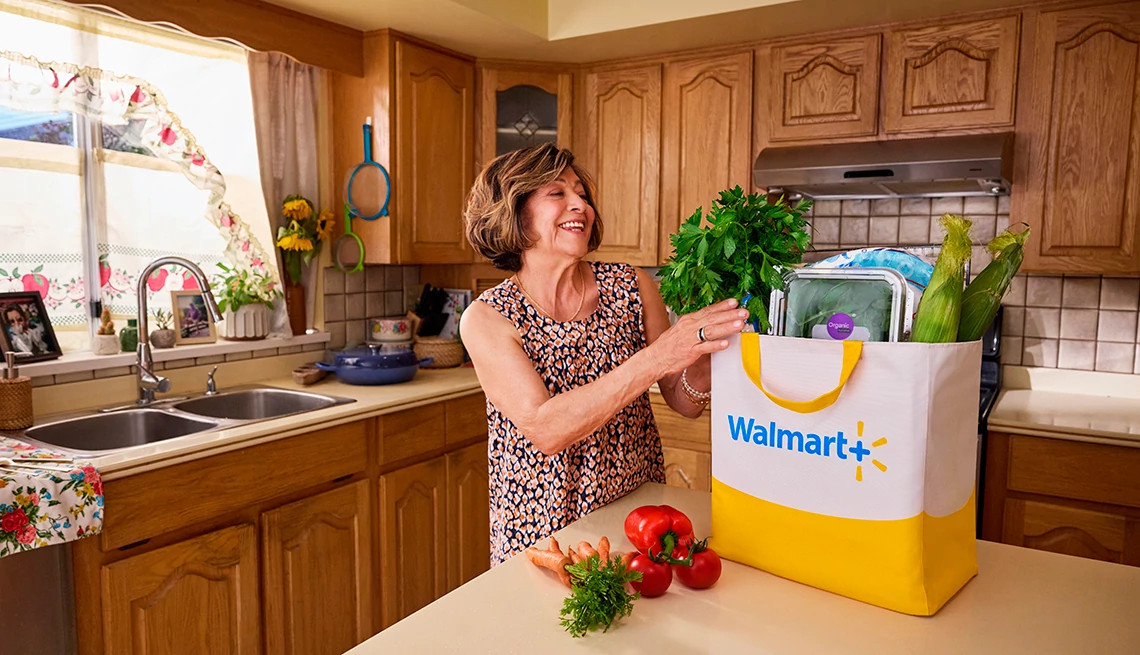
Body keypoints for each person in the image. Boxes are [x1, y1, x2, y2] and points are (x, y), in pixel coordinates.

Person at [460, 143, 747, 565]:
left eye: (582, 194)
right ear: (514, 211)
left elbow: (683, 402)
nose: (581, 205)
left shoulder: (632, 286)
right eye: (557, 193)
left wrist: (702, 350)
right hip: (542, 530)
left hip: (638, 514)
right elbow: (547, 429)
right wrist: (662, 354)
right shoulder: (488, 318)